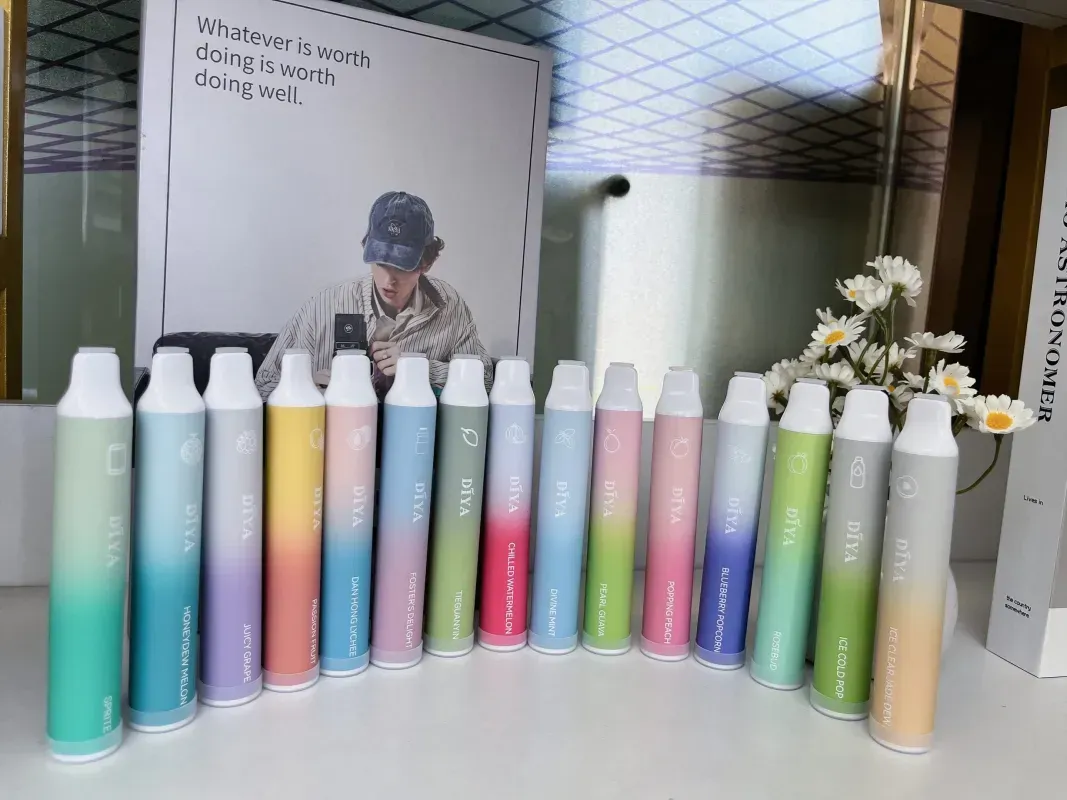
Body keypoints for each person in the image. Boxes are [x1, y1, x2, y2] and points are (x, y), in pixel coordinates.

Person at [255, 191, 493, 399]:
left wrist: (419, 369)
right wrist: (306, 390)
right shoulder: (325, 306)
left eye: (402, 267)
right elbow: (264, 384)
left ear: (426, 263)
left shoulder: (450, 306)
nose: (388, 280)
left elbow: (485, 381)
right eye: (380, 263)